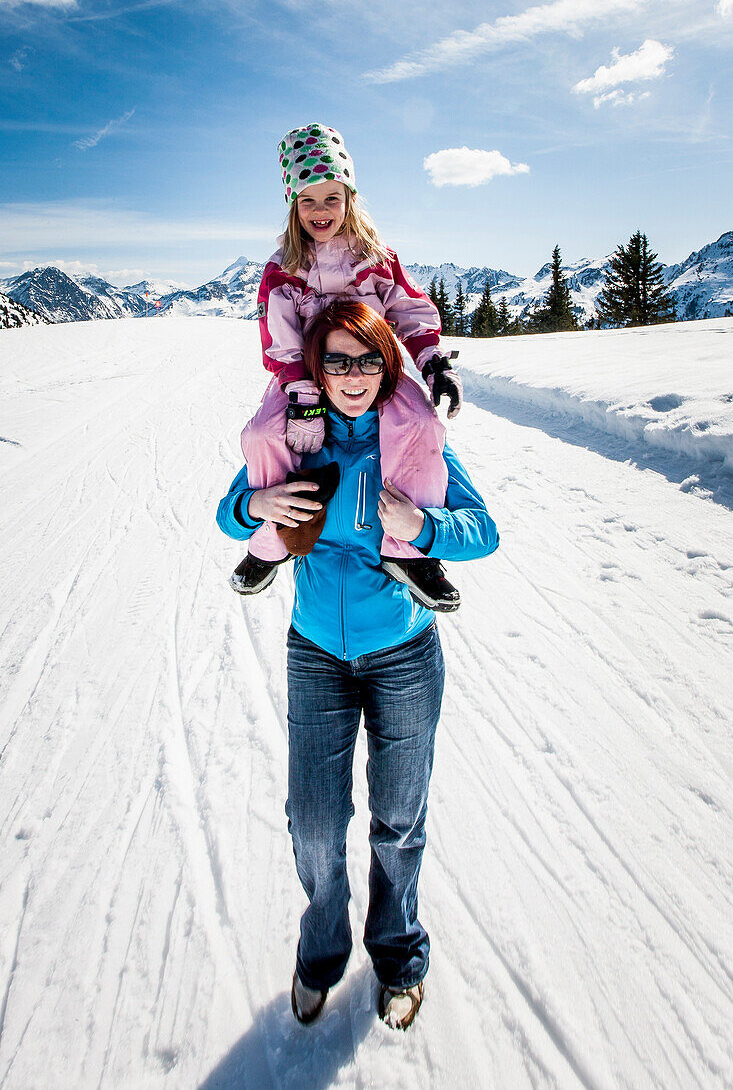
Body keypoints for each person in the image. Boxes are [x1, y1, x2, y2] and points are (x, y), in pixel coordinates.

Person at [217, 300, 499, 1030]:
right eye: (335, 360)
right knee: (312, 822)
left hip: (403, 653)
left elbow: (483, 530)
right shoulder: (296, 437)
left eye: (366, 360)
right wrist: (257, 503)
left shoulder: (410, 441)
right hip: (314, 652)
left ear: (386, 366)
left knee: (397, 821)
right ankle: (321, 949)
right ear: (315, 368)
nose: (351, 375)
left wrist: (424, 525)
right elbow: (227, 514)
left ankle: (399, 954)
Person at [230, 122, 464, 612]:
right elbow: (282, 338)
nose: (321, 211)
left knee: (420, 424)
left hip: (375, 366)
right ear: (294, 206)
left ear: (349, 198)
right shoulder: (284, 267)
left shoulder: (377, 258)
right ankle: (270, 543)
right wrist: (302, 398)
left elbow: (409, 312)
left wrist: (433, 364)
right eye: (309, 201)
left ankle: (408, 549)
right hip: (307, 376)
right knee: (262, 437)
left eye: (332, 198)